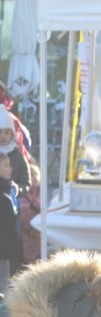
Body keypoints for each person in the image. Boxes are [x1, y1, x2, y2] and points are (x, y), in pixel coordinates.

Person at [0, 153, 22, 290]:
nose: (11, 169)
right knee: (3, 287)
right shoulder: (4, 197)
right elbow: (9, 228)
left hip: (6, 249)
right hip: (4, 250)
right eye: (6, 165)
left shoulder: (8, 191)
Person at [16, 159, 40, 267]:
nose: (34, 178)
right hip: (29, 232)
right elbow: (24, 215)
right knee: (29, 257)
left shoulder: (40, 191)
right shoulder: (24, 194)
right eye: (31, 175)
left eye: (36, 175)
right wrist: (31, 230)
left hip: (38, 232)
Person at [0, 110, 30, 192]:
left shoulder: (18, 156)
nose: (3, 136)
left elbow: (26, 183)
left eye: (7, 132)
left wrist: (17, 189)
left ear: (12, 135)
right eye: (0, 132)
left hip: (9, 198)